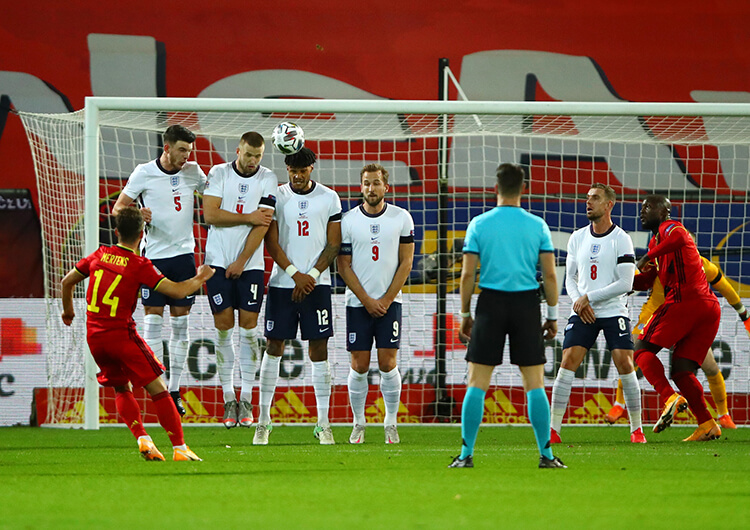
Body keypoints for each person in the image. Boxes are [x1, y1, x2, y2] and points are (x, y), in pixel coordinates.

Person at [60, 206, 214, 461]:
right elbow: (177, 291)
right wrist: (201, 278)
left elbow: (67, 282)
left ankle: (143, 439)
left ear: (117, 231)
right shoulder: (139, 264)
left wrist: (68, 312)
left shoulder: (99, 255)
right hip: (121, 336)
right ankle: (180, 448)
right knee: (160, 390)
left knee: (122, 387)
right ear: (142, 234)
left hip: (95, 338)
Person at [449, 163, 565, 469]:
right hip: (527, 305)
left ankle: (465, 455)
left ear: (496, 188)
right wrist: (552, 315)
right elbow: (551, 276)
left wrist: (464, 314)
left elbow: (467, 275)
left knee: (477, 382)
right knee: (535, 383)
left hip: (491, 304)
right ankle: (547, 456)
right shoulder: (537, 225)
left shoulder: (479, 224)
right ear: (523, 189)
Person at [607, 228, 749, 429]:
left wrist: (744, 315)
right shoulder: (661, 262)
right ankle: (619, 404)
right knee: (631, 354)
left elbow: (725, 287)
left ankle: (723, 414)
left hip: (687, 318)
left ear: (693, 247)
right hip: (654, 315)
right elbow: (638, 279)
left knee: (709, 367)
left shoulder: (702, 265)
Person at [111, 125, 207, 416]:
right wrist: (137, 215)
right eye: (181, 150)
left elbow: (214, 197)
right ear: (167, 148)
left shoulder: (193, 172)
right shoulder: (144, 172)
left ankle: (174, 390)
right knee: (152, 323)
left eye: (188, 151)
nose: (185, 156)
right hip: (153, 258)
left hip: (184, 257)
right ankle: (159, 389)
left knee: (181, 326)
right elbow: (117, 209)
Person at [256, 147, 342, 445]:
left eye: (303, 170)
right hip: (283, 283)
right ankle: (264, 421)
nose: (298, 175)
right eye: (293, 169)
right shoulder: (277, 195)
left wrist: (312, 276)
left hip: (317, 286)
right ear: (287, 169)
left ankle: (323, 422)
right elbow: (272, 241)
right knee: (274, 345)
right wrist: (295, 274)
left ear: (312, 169)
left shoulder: (329, 197)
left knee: (319, 347)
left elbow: (333, 245)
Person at [549, 184, 645, 444]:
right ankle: (553, 429)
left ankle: (637, 430)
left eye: (595, 198)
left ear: (608, 205)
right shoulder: (577, 237)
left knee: (625, 363)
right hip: (584, 310)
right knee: (567, 360)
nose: (588, 202)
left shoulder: (621, 238)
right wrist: (579, 302)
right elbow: (569, 278)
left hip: (613, 309)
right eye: (587, 198)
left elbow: (626, 284)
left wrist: (589, 297)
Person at [202, 132, 277, 429]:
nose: (252, 161)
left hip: (250, 266)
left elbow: (265, 223)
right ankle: (228, 398)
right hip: (216, 263)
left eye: (257, 156)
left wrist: (242, 261)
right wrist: (248, 217)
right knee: (223, 330)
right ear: (238, 151)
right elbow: (210, 214)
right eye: (248, 155)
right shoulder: (218, 173)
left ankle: (245, 398)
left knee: (248, 330)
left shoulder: (268, 178)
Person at [632, 195, 722, 441]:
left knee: (640, 349)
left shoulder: (670, 227)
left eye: (648, 207)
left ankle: (669, 397)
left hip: (684, 302)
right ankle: (707, 424)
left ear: (664, 212)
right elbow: (648, 280)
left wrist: (648, 257)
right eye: (641, 208)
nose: (642, 211)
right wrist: (622, 282)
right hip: (708, 308)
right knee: (682, 370)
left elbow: (681, 237)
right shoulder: (657, 243)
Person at [337, 163, 415, 444]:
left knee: (387, 362)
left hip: (390, 303)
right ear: (361, 187)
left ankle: (390, 423)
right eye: (367, 183)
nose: (371, 188)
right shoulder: (347, 220)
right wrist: (367, 300)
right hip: (358, 304)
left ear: (386, 187)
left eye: (376, 183)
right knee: (358, 364)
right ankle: (359, 423)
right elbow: (343, 265)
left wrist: (384, 299)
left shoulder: (401, 218)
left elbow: (406, 263)